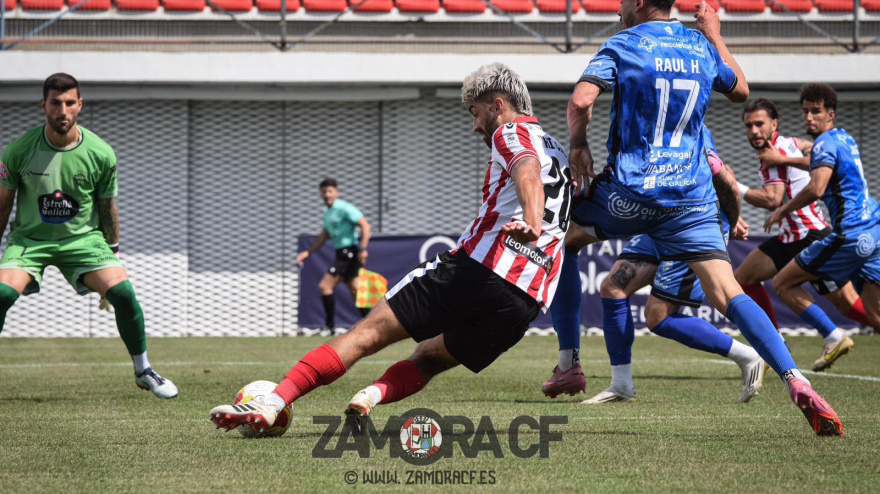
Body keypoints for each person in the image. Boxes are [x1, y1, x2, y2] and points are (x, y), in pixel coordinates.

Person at [209, 63, 573, 432]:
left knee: (366, 335)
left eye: (475, 113)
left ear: (497, 105)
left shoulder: (511, 131)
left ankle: (271, 403)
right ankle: (371, 396)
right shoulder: (558, 152)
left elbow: (525, 169)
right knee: (430, 357)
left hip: (482, 267)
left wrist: (531, 220)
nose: (475, 125)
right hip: (526, 299)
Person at [559, 0, 842, 435]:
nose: (617, 8)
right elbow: (741, 90)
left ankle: (569, 363)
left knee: (563, 242)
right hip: (690, 199)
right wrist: (713, 32)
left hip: (633, 191)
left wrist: (578, 148)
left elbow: (580, 102)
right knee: (728, 292)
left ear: (636, 4)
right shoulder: (697, 44)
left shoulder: (622, 44)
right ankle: (795, 378)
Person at [545, 137, 765, 405]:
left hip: (692, 223)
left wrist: (729, 217)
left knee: (657, 318)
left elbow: (722, 173)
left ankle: (748, 356)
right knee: (612, 287)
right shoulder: (646, 119)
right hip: (660, 218)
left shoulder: (688, 120)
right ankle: (621, 386)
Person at [0, 73, 177, 399]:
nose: (62, 111)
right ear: (43, 106)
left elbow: (108, 207)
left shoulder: (101, 153)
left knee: (123, 292)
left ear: (80, 105)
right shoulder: (18, 150)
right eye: (55, 103)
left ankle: (143, 370)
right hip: (29, 242)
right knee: (1, 295)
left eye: (69, 103)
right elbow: (3, 206)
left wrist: (113, 255)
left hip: (82, 241)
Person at [735, 98, 870, 371]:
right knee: (745, 278)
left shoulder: (776, 153)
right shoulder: (791, 144)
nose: (754, 131)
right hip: (793, 237)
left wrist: (732, 183)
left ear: (774, 124)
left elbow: (772, 199)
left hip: (808, 236)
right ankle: (776, 343)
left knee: (846, 303)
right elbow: (815, 155)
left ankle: (826, 337)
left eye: (759, 123)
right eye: (749, 126)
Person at [764, 83, 880, 373]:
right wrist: (792, 153)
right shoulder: (844, 138)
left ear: (831, 114)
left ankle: (833, 336)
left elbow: (817, 187)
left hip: (851, 236)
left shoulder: (824, 144)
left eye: (816, 111)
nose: (809, 118)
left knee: (782, 283)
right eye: (805, 112)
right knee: (876, 319)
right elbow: (817, 159)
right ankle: (835, 335)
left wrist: (782, 209)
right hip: (875, 229)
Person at [296, 178, 371, 334]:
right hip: (341, 253)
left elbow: (365, 225)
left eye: (330, 191)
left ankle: (329, 327)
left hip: (348, 252)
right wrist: (308, 252)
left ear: (336, 192)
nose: (327, 194)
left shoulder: (344, 208)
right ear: (320, 194)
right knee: (355, 290)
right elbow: (324, 235)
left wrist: (363, 248)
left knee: (325, 286)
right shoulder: (326, 211)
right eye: (324, 191)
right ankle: (372, 325)